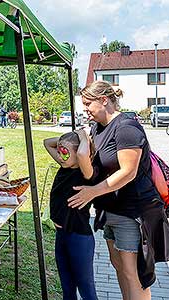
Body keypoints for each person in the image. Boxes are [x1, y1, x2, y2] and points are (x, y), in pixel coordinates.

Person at [68, 80, 169, 299]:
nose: (84, 109)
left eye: (87, 104)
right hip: (110, 210)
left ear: (104, 101)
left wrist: (92, 191)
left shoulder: (126, 127)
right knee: (119, 267)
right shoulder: (98, 128)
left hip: (132, 212)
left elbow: (128, 172)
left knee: (134, 275)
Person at [44, 130, 97, 300]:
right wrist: (66, 141)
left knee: (86, 289)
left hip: (78, 238)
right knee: (67, 288)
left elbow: (82, 153)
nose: (60, 156)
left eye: (65, 153)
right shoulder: (64, 166)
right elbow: (46, 142)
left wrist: (82, 136)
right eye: (59, 152)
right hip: (62, 235)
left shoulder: (85, 172)